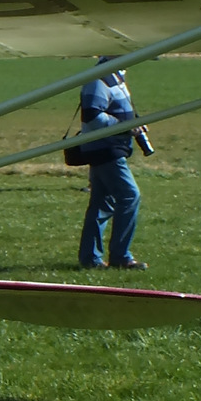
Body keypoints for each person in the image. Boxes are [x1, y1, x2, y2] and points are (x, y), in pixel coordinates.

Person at [78, 61, 151, 270]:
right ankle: (120, 256)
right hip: (105, 149)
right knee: (129, 195)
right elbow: (92, 116)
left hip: (110, 148)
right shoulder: (99, 79)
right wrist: (125, 127)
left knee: (102, 203)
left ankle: (90, 259)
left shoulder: (115, 78)